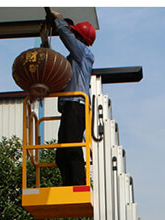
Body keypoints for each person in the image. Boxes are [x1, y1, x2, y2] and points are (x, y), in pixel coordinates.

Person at [51, 11, 95, 186]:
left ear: (80, 38)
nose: (73, 38)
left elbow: (66, 36)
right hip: (70, 107)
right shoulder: (73, 60)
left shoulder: (82, 53)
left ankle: (78, 185)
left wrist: (58, 19)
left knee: (72, 147)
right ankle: (68, 186)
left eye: (75, 35)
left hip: (76, 105)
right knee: (61, 154)